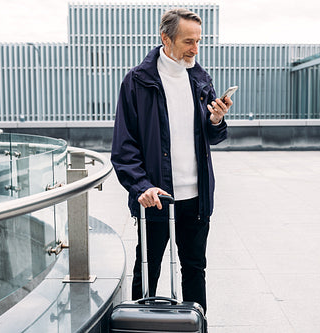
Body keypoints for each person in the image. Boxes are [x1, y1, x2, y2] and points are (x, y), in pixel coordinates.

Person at [111, 8, 233, 313]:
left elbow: (213, 137)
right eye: (188, 42)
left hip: (196, 197)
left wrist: (216, 120)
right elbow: (124, 146)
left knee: (194, 271)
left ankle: (197, 326)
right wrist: (141, 186)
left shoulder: (201, 79)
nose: (195, 49)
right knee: (147, 272)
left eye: (198, 41)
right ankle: (139, 325)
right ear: (166, 39)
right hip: (155, 197)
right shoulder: (137, 82)